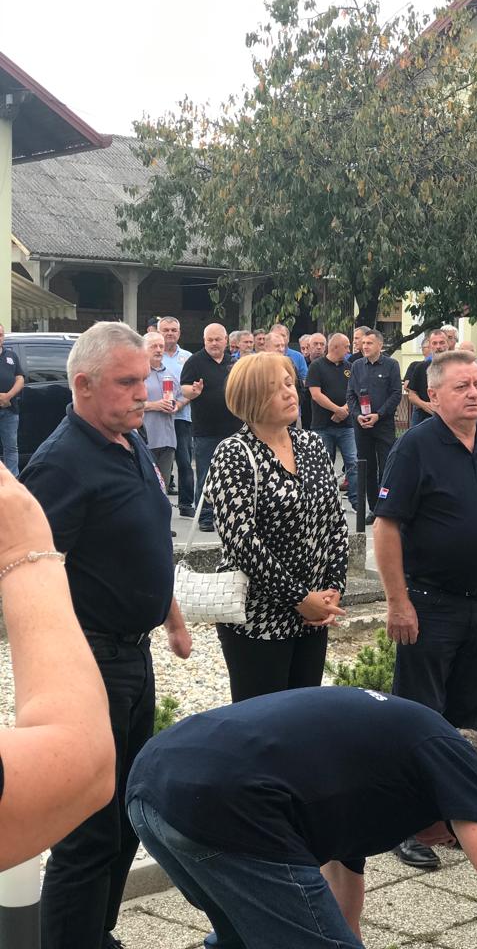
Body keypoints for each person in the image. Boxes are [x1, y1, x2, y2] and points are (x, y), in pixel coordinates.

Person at [126, 687, 477, 949]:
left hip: (152, 786)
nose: (452, 842)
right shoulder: (453, 753)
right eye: (458, 830)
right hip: (220, 802)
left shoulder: (384, 772)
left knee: (243, 938)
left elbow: (339, 899)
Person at [20, 321, 192, 949]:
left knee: (123, 818)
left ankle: (99, 933)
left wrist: (171, 616)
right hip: (89, 662)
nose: (144, 393)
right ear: (84, 385)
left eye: (144, 379)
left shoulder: (129, 440)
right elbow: (29, 578)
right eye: (127, 382)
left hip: (133, 658)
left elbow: (145, 541)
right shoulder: (60, 465)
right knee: (86, 831)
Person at [373, 349, 477, 869]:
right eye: (462, 386)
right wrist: (398, 601)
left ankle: (455, 817)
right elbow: (386, 526)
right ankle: (406, 824)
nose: (474, 393)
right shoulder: (415, 447)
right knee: (419, 718)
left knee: (469, 713)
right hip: (429, 605)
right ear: (433, 395)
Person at [204, 353, 347, 705]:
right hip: (258, 619)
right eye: (274, 388)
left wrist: (333, 588)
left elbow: (335, 521)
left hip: (314, 615)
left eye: (289, 383)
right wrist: (299, 598)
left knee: (304, 718)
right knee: (262, 724)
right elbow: (241, 541)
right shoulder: (234, 454)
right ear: (250, 398)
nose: (289, 393)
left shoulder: (311, 444)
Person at [0, 463, 115, 870]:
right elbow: (83, 765)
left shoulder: (132, 454)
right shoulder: (59, 463)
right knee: (84, 849)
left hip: (123, 655)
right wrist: (23, 551)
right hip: (83, 655)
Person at [180, 322, 241, 532]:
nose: (214, 343)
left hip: (234, 429)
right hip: (206, 430)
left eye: (217, 339)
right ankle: (205, 516)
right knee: (206, 475)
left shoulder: (233, 362)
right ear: (204, 340)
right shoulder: (194, 361)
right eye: (210, 340)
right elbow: (184, 388)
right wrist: (193, 392)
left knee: (233, 475)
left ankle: (230, 514)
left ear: (226, 341)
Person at [347, 329, 401, 524]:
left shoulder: (391, 365)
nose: (365, 346)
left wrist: (379, 415)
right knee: (366, 467)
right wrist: (357, 415)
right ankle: (374, 508)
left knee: (386, 466)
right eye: (363, 343)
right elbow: (350, 395)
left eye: (369, 343)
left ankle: (387, 508)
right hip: (362, 425)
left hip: (383, 424)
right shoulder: (357, 366)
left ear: (380, 345)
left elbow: (396, 394)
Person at [307, 333, 358, 510]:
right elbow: (315, 394)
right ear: (335, 347)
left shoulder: (350, 367)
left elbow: (355, 392)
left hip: (347, 426)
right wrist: (336, 409)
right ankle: (327, 504)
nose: (349, 350)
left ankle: (357, 503)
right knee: (323, 465)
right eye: (346, 346)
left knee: (353, 462)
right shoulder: (316, 366)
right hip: (322, 425)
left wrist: (345, 410)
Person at [158, 315, 195, 516]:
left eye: (173, 330)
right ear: (159, 332)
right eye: (166, 330)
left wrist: (180, 403)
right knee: (158, 463)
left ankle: (186, 505)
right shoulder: (152, 354)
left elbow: (193, 388)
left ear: (179, 333)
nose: (170, 333)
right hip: (157, 417)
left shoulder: (188, 357)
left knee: (184, 462)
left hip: (181, 416)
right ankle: (157, 506)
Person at [142, 332, 181, 491]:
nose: (158, 350)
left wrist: (176, 406)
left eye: (161, 346)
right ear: (143, 349)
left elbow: (179, 398)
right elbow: (128, 404)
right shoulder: (139, 375)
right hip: (145, 440)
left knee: (162, 489)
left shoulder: (169, 375)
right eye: (154, 346)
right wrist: (154, 405)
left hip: (167, 440)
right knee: (146, 488)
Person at [406, 329, 449, 426]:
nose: (438, 347)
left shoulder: (457, 367)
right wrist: (424, 405)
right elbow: (412, 395)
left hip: (450, 418)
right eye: (434, 343)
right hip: (423, 418)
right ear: (430, 346)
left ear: (448, 344)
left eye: (442, 342)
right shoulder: (421, 368)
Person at [0, 322, 25, 475]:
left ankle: (13, 479)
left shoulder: (11, 356)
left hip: (10, 409)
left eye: (1, 334)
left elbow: (20, 378)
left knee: (11, 448)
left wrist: (7, 396)